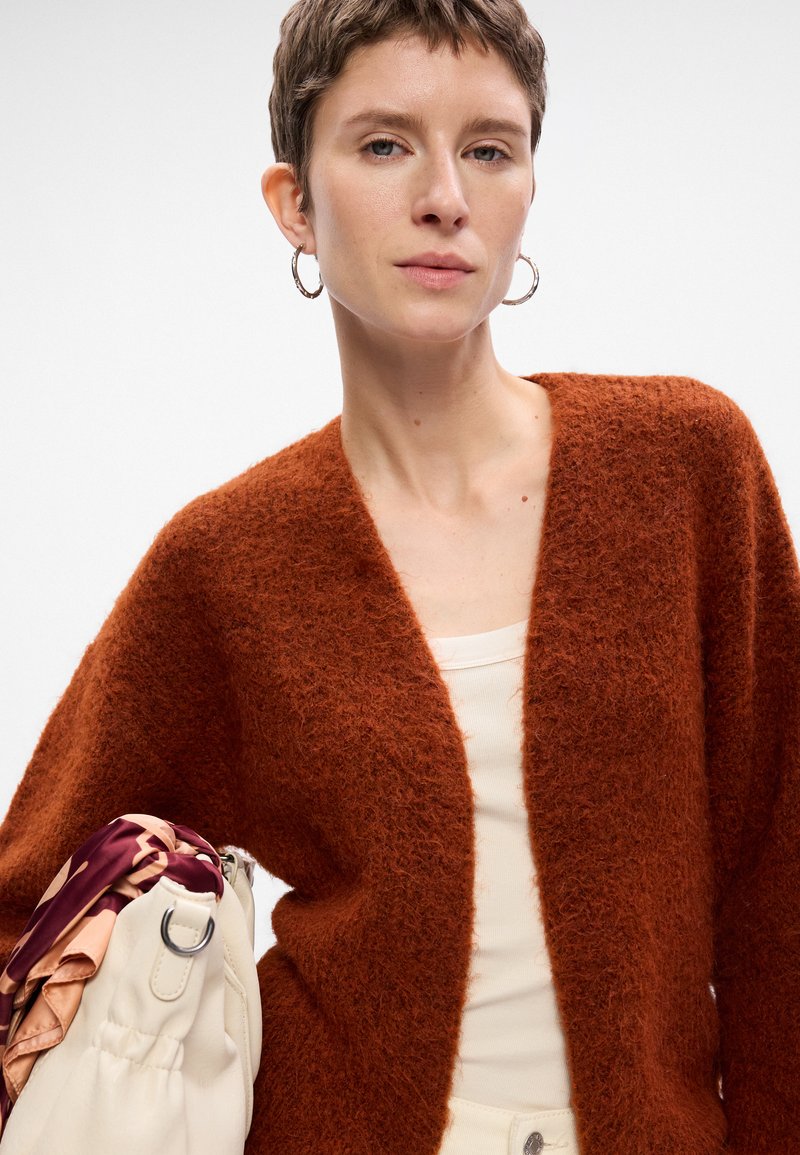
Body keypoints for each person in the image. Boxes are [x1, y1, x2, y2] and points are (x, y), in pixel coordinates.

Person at [0, 1, 798, 1153]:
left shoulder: (682, 467)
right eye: (383, 144)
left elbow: (779, 883)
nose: (443, 196)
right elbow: (25, 904)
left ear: (528, 185)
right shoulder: (226, 562)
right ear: (295, 205)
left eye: (488, 148)